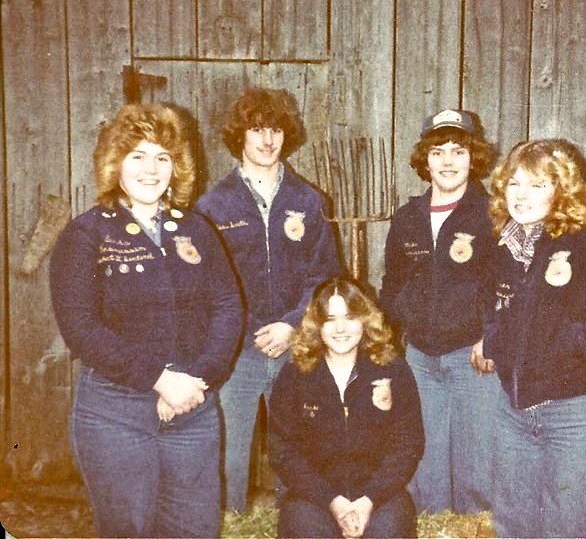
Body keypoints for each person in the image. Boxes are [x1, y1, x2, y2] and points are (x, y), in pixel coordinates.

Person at [49, 103, 243, 538]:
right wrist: (159, 379)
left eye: (162, 157)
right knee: (129, 529)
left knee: (195, 530)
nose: (151, 169)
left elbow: (228, 306)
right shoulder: (86, 234)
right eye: (137, 156)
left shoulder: (197, 230)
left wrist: (197, 380)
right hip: (116, 413)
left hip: (192, 407)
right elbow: (80, 328)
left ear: (176, 167)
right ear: (115, 163)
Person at [473, 138, 586, 537]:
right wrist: (494, 340)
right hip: (513, 414)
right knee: (514, 528)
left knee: (570, 529)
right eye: (514, 183)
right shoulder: (503, 244)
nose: (521, 195)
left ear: (561, 189)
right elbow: (490, 301)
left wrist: (576, 344)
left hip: (573, 415)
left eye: (537, 185)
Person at [194, 86, 341, 512]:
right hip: (237, 351)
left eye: (275, 129)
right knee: (229, 450)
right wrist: (252, 328)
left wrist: (292, 324)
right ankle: (231, 523)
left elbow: (325, 276)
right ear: (239, 135)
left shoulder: (309, 201)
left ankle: (297, 522)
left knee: (298, 446)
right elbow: (207, 286)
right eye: (257, 129)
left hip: (297, 348)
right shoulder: (212, 206)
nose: (267, 139)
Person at [378, 109, 500, 514]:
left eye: (458, 151)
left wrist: (492, 336)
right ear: (425, 160)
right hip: (420, 358)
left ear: (473, 158)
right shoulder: (407, 218)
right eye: (438, 152)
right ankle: (432, 527)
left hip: (473, 358)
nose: (448, 161)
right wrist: (384, 344)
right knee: (424, 457)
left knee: (477, 463)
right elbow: (392, 286)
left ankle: (474, 530)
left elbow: (508, 287)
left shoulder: (492, 215)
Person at [269, 276, 424, 539]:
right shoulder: (295, 373)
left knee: (391, 529)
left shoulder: (392, 369)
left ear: (365, 320)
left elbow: (408, 445)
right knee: (303, 528)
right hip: (316, 496)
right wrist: (332, 501)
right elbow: (283, 450)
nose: (340, 328)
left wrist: (369, 500)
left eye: (350, 317)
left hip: (377, 495)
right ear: (317, 323)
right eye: (330, 319)